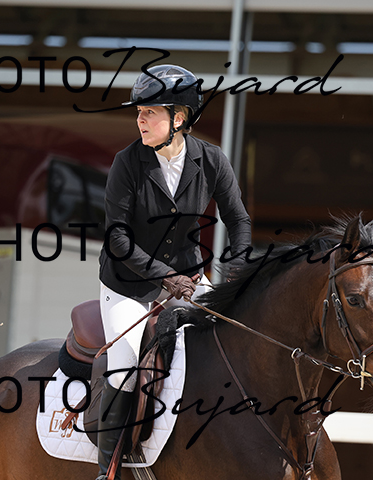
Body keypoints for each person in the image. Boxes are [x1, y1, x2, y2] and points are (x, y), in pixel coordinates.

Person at [95, 64, 252, 480]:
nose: (140, 120)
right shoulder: (127, 163)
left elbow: (238, 220)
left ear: (178, 119)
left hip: (187, 279)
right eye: (139, 113)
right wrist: (167, 278)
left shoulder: (211, 160)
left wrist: (235, 271)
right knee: (126, 365)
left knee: (226, 346)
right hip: (128, 285)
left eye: (150, 112)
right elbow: (117, 239)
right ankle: (107, 470)